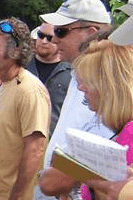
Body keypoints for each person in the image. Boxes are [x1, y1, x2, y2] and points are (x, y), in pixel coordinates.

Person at [37, 0, 114, 199]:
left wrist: (57, 177)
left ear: (90, 32)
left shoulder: (107, 84)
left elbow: (107, 153)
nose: (53, 39)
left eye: (61, 31)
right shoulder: (75, 75)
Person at [0, 18, 51, 200]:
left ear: (16, 51)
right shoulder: (4, 87)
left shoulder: (30, 90)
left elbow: (35, 149)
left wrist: (17, 196)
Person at [71, 39, 133, 200]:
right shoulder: (124, 132)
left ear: (110, 86)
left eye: (87, 81)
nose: (80, 87)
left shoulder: (130, 136)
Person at [26, 22, 72, 135]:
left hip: (53, 141)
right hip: (19, 139)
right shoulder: (21, 66)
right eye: (40, 35)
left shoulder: (72, 73)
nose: (43, 41)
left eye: (49, 38)